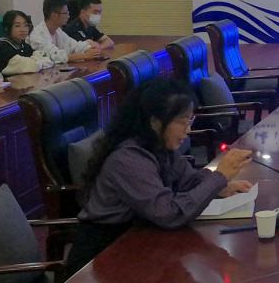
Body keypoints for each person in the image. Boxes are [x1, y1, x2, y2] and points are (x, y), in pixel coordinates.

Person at [66, 77, 253, 271]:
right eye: (182, 122)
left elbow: (189, 181)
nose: (188, 130)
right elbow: (169, 214)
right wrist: (218, 177)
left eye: (190, 120)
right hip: (103, 257)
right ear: (154, 121)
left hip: (140, 243)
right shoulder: (128, 159)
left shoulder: (158, 146)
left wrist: (220, 188)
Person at [29, 0, 100, 65]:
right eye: (65, 13)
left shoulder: (58, 31)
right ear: (54, 15)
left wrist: (89, 48)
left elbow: (74, 45)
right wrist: (84, 55)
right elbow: (54, 56)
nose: (68, 16)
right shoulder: (37, 35)